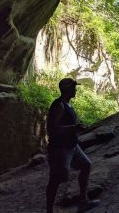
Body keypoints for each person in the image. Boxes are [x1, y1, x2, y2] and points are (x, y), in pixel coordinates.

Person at [46, 78, 100, 213]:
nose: (75, 90)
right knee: (57, 179)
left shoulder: (67, 105)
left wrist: (74, 129)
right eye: (73, 87)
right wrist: (73, 128)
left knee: (86, 165)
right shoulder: (59, 105)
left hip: (72, 146)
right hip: (60, 148)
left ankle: (83, 202)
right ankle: (49, 210)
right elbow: (53, 128)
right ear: (67, 89)